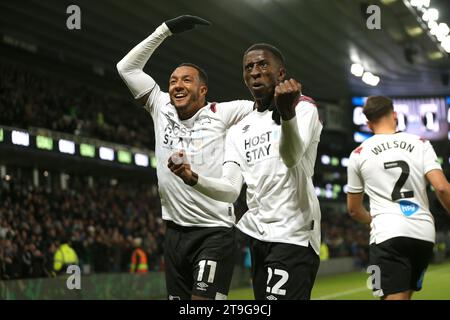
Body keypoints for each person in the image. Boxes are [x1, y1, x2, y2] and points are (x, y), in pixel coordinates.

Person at [168, 43, 323, 300]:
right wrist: (192, 177)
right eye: (248, 67)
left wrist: (287, 115)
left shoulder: (303, 107)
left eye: (263, 64)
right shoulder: (240, 129)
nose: (255, 71)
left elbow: (292, 156)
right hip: (257, 236)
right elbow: (230, 190)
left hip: (293, 234)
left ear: (281, 73)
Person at [116, 16, 253, 300]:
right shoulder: (159, 105)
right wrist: (164, 30)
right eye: (173, 80)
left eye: (186, 80)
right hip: (175, 233)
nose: (177, 85)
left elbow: (267, 106)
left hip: (214, 232)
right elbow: (126, 67)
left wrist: (298, 104)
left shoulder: (224, 113)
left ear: (203, 90)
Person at [346, 95, 450, 300]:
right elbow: (442, 188)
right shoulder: (420, 143)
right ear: (394, 115)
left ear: (368, 124)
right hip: (423, 234)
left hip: (387, 233)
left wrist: (370, 220)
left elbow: (353, 210)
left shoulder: (358, 154)